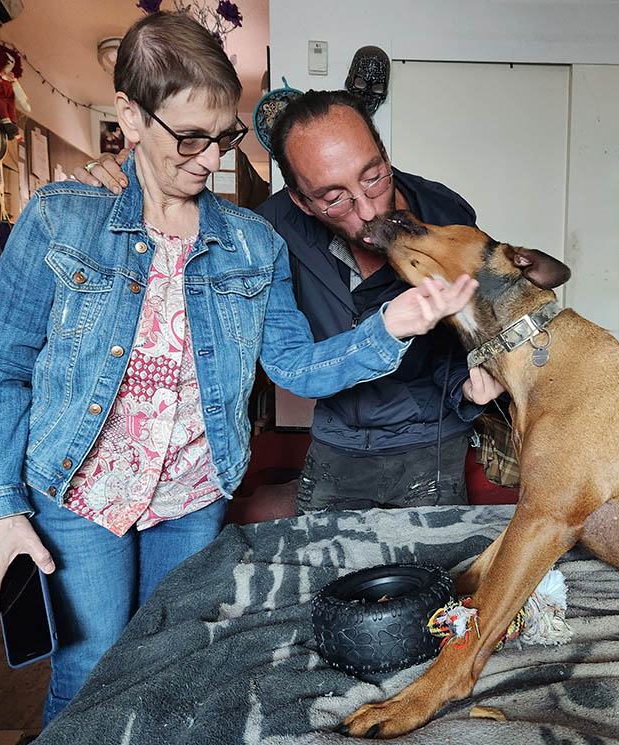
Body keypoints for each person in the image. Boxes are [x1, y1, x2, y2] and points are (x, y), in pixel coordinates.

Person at [0, 12, 476, 726]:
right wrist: (0, 508)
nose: (210, 160)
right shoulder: (59, 219)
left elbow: (294, 362)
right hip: (79, 489)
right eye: (190, 138)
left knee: (175, 657)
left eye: (225, 135)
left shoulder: (250, 242)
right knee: (92, 664)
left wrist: (389, 327)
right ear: (130, 117)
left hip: (193, 492)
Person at [76, 90, 505, 516]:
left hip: (432, 439)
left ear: (384, 155)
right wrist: (131, 185)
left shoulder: (446, 211)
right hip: (339, 441)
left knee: (432, 575)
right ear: (302, 201)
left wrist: (467, 385)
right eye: (335, 198)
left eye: (374, 177)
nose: (369, 209)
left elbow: (463, 330)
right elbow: (288, 362)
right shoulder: (268, 230)